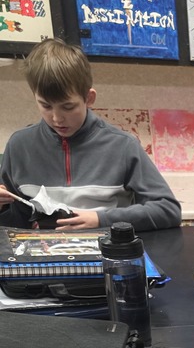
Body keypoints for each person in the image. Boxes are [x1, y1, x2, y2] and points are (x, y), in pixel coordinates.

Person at [0, 38, 181, 231]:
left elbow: (168, 210)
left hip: (108, 255)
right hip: (42, 256)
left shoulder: (123, 146)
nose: (57, 118)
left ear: (89, 98)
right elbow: (15, 224)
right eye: (45, 106)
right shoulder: (19, 146)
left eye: (68, 107)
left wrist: (101, 219)